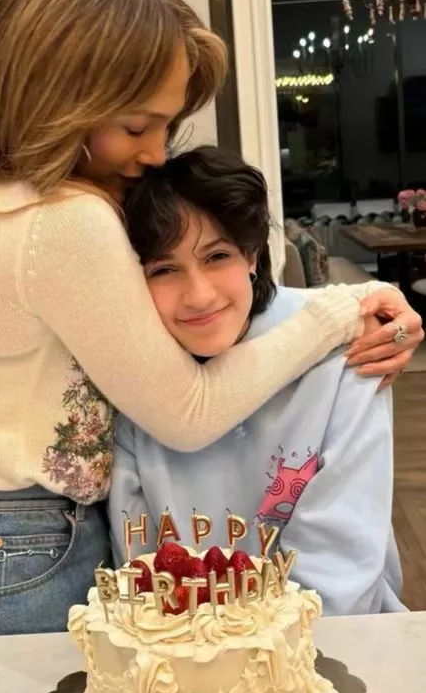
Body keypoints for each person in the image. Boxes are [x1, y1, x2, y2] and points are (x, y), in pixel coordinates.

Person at [0, 0, 420, 640]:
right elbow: (189, 412)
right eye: (137, 125)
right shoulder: (62, 222)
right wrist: (342, 310)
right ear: (56, 101)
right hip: (25, 552)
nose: (153, 153)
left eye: (165, 128)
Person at [109, 146, 405, 614]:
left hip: (333, 638)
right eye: (164, 269)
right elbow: (140, 571)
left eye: (217, 256)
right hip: (181, 647)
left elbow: (339, 576)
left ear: (250, 254)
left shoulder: (346, 344)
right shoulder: (132, 374)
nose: (198, 296)